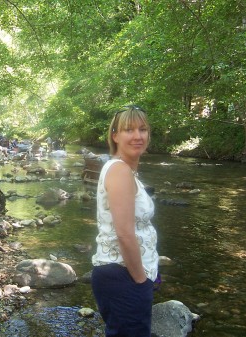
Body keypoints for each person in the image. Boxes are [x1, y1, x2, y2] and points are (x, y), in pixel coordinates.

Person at [91, 105, 159, 337]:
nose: (138, 136)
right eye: (129, 130)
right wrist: (141, 278)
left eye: (143, 129)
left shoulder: (124, 171)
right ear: (115, 135)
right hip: (123, 275)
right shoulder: (119, 171)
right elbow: (124, 233)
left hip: (124, 274)